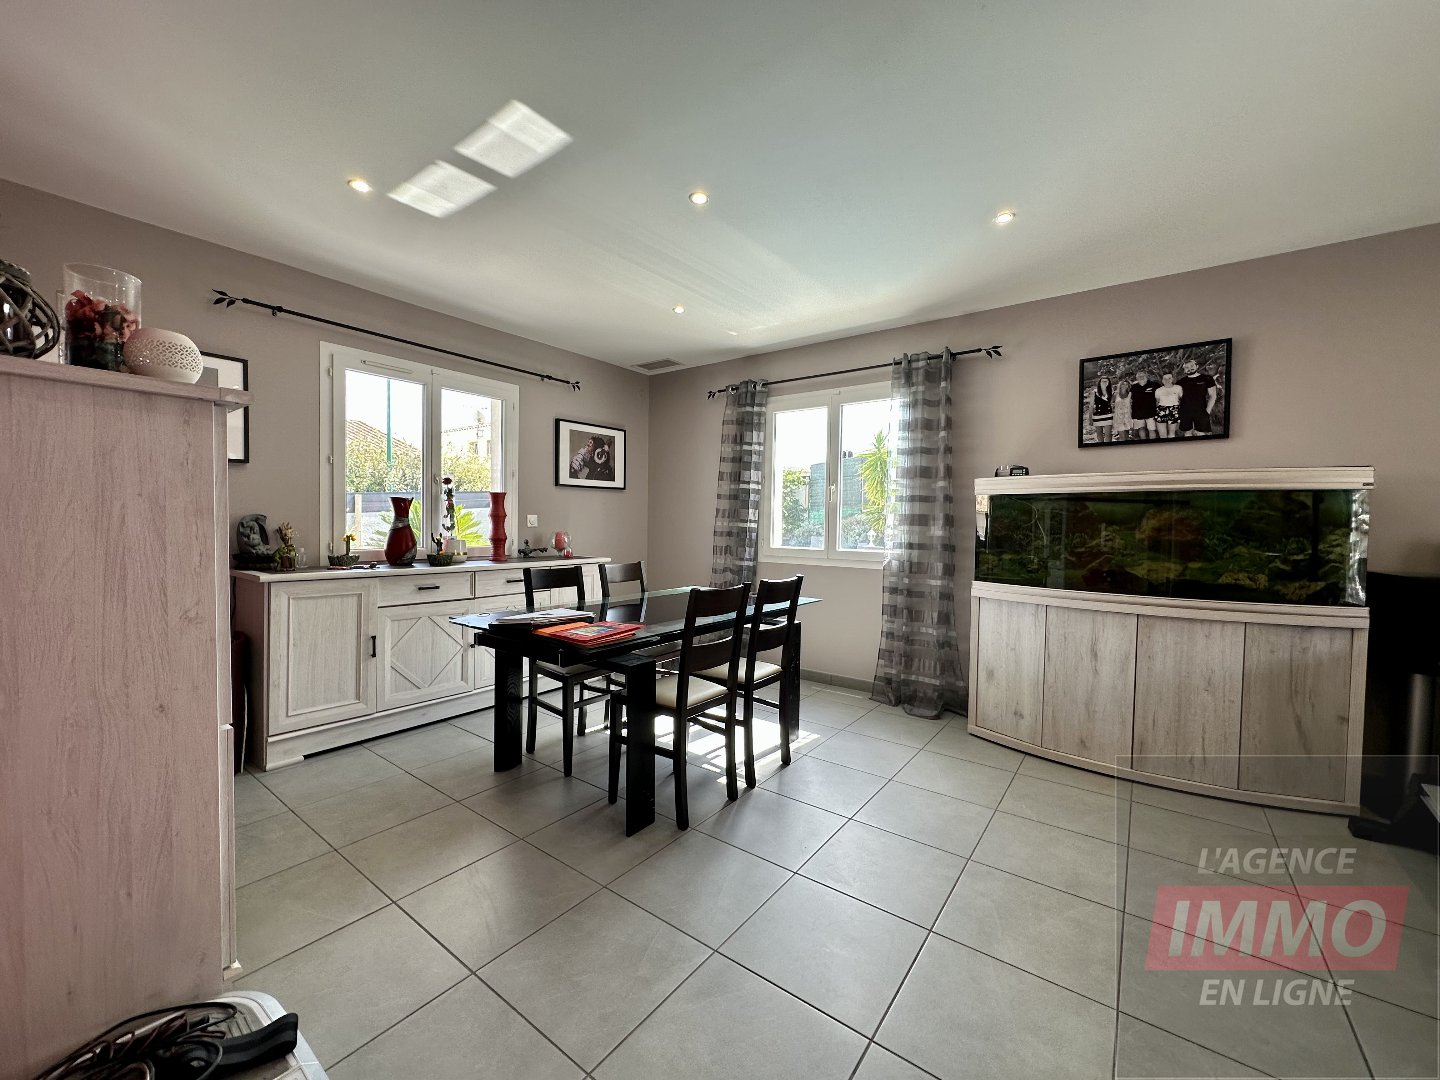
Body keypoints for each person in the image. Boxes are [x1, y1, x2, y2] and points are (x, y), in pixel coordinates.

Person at [1177, 356, 1219, 437]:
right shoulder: (1180, 382)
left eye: (1192, 366)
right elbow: (1177, 397)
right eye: (1187, 367)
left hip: (1201, 411)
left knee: (1201, 434)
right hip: (1185, 412)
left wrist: (1207, 412)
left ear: (1197, 366)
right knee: (1187, 434)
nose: (1190, 368)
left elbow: (1213, 396)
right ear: (1184, 370)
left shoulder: (1207, 378)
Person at [1129, 369, 1157, 440]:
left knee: (1152, 429)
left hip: (1151, 412)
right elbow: (1129, 399)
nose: (1141, 377)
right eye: (1139, 376)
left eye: (1143, 376)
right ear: (1137, 378)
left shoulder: (1153, 385)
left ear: (1146, 376)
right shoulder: (1133, 387)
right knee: (1141, 429)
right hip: (1138, 412)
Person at [1154, 371, 1182, 438]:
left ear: (1172, 379)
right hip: (1161, 410)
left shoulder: (1178, 388)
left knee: (1172, 433)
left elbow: (1180, 399)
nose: (1167, 380)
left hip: (1174, 410)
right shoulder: (1158, 390)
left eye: (1169, 378)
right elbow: (1157, 401)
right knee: (1162, 434)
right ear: (1162, 380)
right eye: (1165, 379)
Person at [1089, 376, 1114, 443]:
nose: (1104, 383)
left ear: (1109, 383)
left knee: (1108, 435)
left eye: (1106, 381)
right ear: (1099, 383)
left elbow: (1111, 404)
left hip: (1108, 416)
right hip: (1097, 416)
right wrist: (1090, 419)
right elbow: (1091, 406)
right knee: (1099, 434)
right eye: (1103, 381)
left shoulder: (1111, 392)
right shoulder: (1094, 392)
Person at [1111, 373, 1133, 442]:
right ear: (1120, 385)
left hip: (1127, 417)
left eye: (1126, 384)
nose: (1125, 386)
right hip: (1118, 417)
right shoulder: (1115, 394)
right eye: (1123, 384)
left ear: (1128, 386)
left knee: (1127, 437)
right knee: (1122, 437)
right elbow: (1111, 404)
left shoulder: (1130, 394)